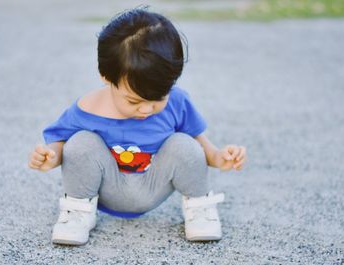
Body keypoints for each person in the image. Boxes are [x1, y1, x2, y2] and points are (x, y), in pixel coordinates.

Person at [28, 8, 246, 246]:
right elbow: (59, 143)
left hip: (154, 183)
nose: (146, 110)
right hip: (106, 187)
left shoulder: (177, 102)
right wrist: (51, 157)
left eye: (158, 99)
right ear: (106, 77)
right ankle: (78, 211)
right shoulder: (87, 108)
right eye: (134, 101)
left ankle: (199, 208)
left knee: (185, 143)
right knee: (80, 142)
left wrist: (219, 157)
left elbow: (202, 146)